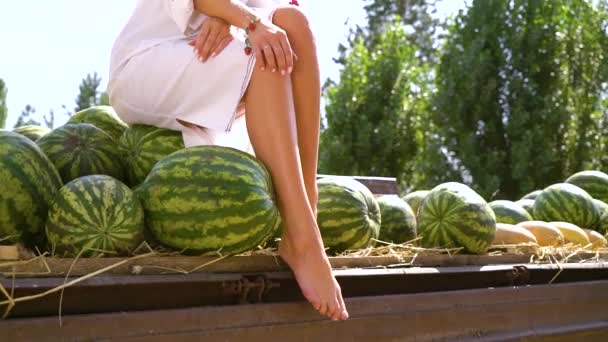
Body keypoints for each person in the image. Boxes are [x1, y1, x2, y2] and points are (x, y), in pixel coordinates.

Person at [108, 0, 349, 321]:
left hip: (209, 56)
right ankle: (304, 242)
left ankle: (306, 219)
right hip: (146, 64)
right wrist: (243, 20)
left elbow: (280, 10)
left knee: (296, 24)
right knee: (262, 52)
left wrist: (233, 19)